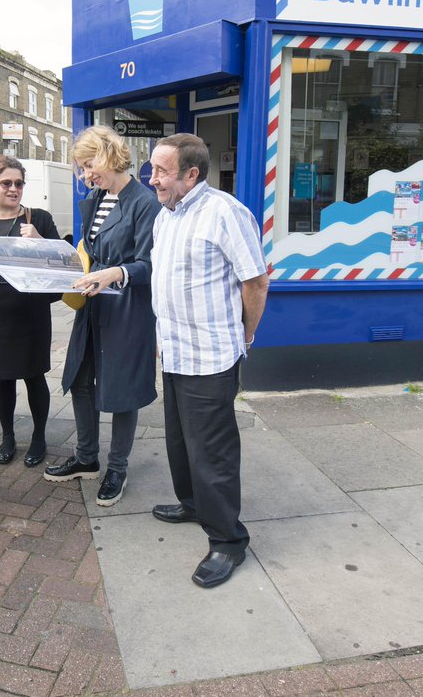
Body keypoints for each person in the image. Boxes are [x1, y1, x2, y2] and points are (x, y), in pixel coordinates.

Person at [147, 133, 269, 589]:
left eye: (161, 170)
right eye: (153, 169)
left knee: (212, 450)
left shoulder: (226, 213)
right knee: (179, 441)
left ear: (191, 173)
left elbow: (255, 282)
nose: (152, 178)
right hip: (175, 350)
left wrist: (246, 332)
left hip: (211, 355)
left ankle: (228, 541)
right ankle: (194, 504)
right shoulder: (166, 216)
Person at [44, 126, 158, 506]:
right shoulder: (95, 199)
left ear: (109, 155)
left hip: (126, 308)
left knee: (122, 390)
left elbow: (150, 264)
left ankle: (117, 468)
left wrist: (116, 272)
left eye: (89, 165)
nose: (85, 175)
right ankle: (86, 457)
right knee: (80, 378)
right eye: (81, 168)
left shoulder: (144, 202)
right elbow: (88, 250)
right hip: (92, 302)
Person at [0, 157, 59, 468]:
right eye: (6, 183)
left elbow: (63, 263)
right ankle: (8, 436)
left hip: (30, 313)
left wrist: (40, 241)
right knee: (3, 378)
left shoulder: (38, 219)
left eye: (19, 183)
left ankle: (39, 437)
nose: (14, 189)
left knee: (34, 376)